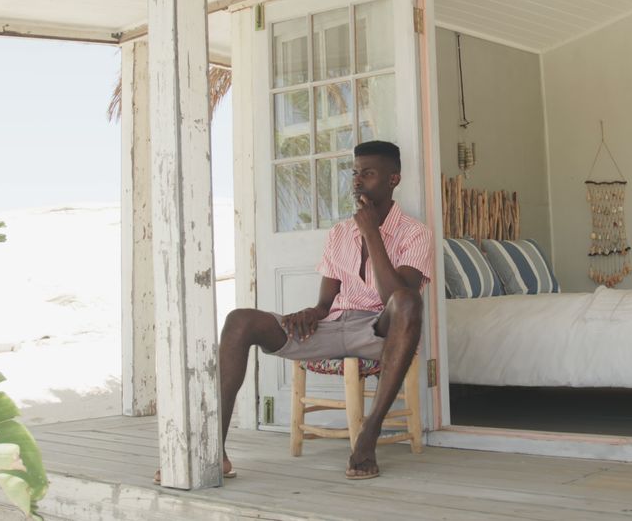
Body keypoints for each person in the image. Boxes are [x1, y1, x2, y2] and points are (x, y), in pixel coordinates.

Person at [156, 140, 433, 484]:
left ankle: (368, 436)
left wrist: (372, 234)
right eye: (355, 173)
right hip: (334, 325)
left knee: (409, 301)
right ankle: (213, 449)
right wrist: (311, 313)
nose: (358, 181)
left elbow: (396, 295)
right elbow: (325, 304)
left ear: (394, 179)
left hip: (381, 331)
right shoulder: (339, 234)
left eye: (369, 173)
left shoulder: (415, 233)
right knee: (239, 320)